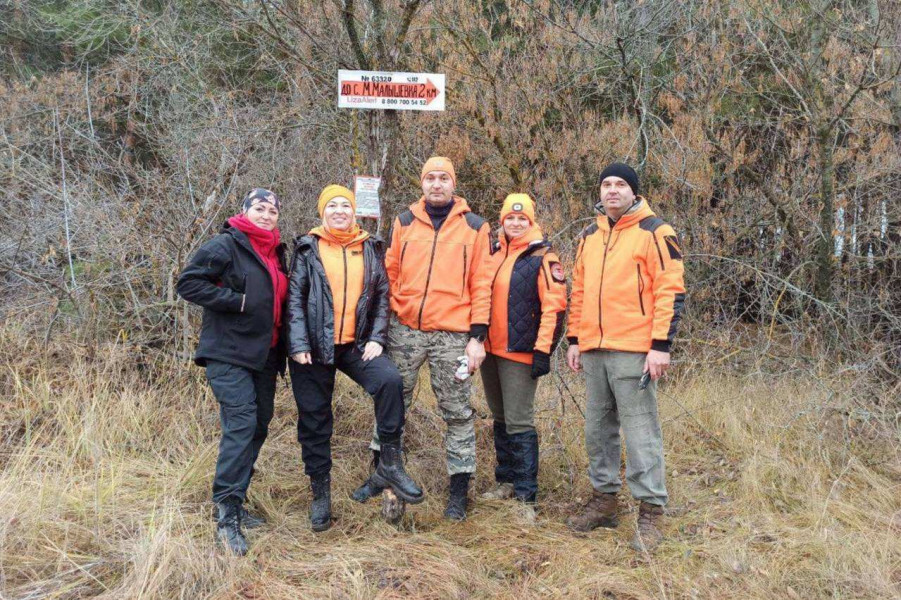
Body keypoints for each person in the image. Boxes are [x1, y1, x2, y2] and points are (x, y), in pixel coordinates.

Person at [351, 156, 493, 521]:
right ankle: (381, 476)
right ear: (422, 183)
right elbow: (389, 273)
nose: (437, 184)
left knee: (457, 412)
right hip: (406, 330)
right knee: (391, 403)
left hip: (453, 334)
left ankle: (458, 492)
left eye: (443, 178)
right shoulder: (404, 221)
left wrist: (477, 337)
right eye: (431, 178)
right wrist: (387, 321)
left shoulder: (476, 227)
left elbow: (482, 282)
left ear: (453, 183)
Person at [286, 184, 424, 532]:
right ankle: (321, 494)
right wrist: (298, 343)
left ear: (354, 211)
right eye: (332, 206)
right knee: (315, 418)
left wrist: (377, 337)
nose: (339, 211)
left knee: (389, 381)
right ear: (322, 212)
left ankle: (389, 465)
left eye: (345, 205)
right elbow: (295, 298)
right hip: (313, 347)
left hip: (355, 344)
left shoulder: (370, 247)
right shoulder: (307, 248)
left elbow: (381, 296)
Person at [565, 163, 686, 552]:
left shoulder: (655, 232)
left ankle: (651, 511)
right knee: (597, 430)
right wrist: (574, 338)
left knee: (640, 432)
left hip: (635, 350)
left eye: (620, 184)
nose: (612, 190)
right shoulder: (590, 236)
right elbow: (579, 290)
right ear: (600, 192)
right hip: (594, 349)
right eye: (606, 184)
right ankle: (604, 501)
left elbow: (670, 290)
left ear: (634, 192)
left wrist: (660, 345)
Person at [176, 188, 288, 556]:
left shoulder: (275, 251)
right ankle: (227, 516)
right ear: (244, 210)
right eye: (260, 208)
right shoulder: (227, 244)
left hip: (265, 355)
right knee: (241, 425)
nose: (266, 215)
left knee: (258, 426)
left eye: (272, 211)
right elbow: (188, 283)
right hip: (228, 353)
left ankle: (235, 499)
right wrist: (236, 301)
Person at [480, 194, 567, 504]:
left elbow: (555, 307)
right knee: (500, 417)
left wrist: (543, 351)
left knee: (519, 421)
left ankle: (526, 495)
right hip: (490, 351)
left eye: (522, 219)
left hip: (520, 353)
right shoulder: (493, 252)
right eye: (510, 218)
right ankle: (505, 481)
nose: (515, 223)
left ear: (531, 222)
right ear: (502, 220)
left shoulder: (543, 257)